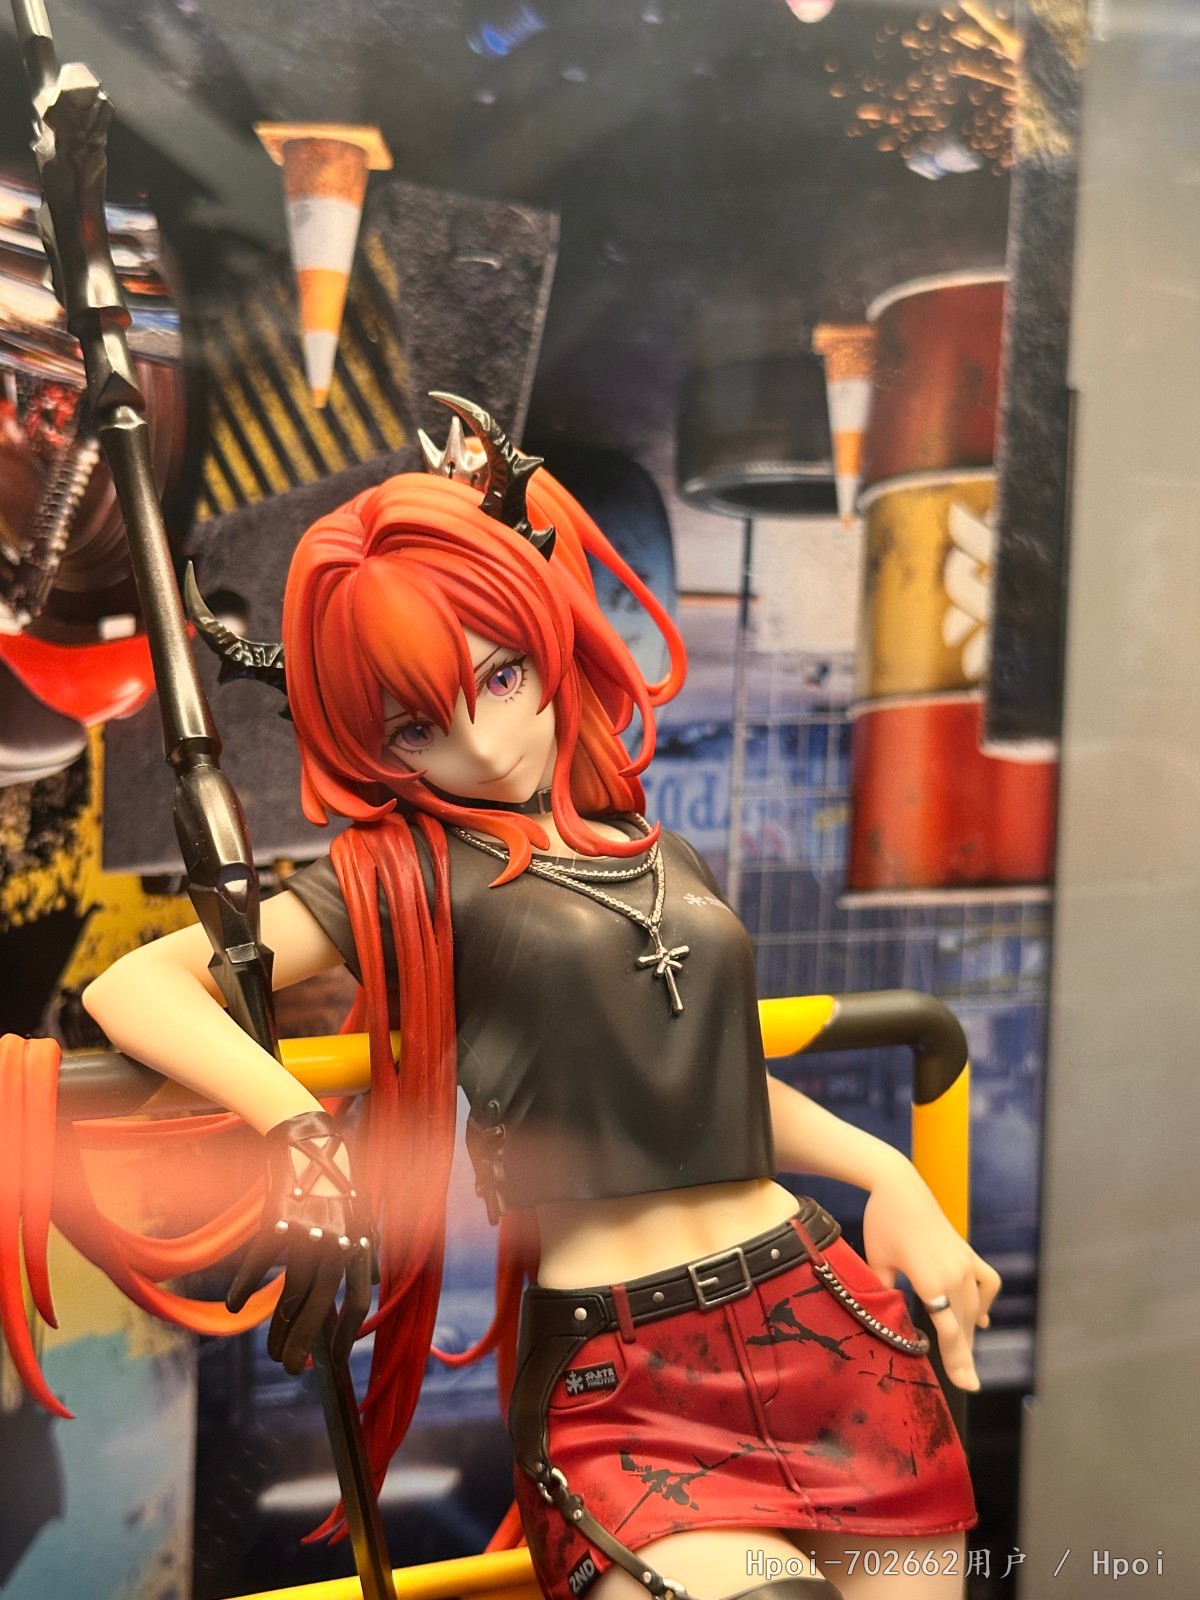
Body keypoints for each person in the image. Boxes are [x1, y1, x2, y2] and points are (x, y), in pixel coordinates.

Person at [79, 397, 999, 1600]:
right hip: (631, 1387)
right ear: (370, 744)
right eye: (419, 725)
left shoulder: (655, 848)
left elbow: (706, 1086)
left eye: (503, 675)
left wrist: (890, 1175)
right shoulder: (404, 872)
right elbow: (136, 984)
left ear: (542, 633)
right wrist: (295, 1124)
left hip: (823, 1317)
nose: (486, 742)